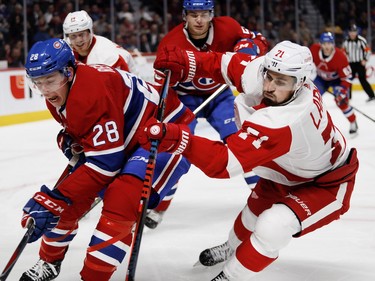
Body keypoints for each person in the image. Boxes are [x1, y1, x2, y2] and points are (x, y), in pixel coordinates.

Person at [139, 40, 359, 281]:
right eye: (269, 76)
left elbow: (223, 163)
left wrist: (177, 138)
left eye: (281, 82)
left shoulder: (286, 120)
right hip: (287, 168)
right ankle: (231, 247)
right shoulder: (273, 73)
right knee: (251, 214)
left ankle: (230, 276)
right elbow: (224, 63)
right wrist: (189, 61)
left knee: (273, 226)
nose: (270, 87)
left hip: (326, 183)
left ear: (300, 84)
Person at [20, 38, 194, 281]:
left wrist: (54, 198)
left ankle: (94, 277)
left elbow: (106, 164)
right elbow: (91, 137)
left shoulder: (90, 93)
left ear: (68, 72)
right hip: (125, 136)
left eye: (51, 80)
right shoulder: (62, 92)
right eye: (38, 83)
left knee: (120, 201)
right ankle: (49, 262)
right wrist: (68, 140)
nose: (46, 90)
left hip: (165, 131)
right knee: (64, 202)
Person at [145, 0, 268, 229]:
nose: (199, 20)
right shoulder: (170, 43)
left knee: (241, 143)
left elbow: (259, 41)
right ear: (185, 16)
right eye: (193, 15)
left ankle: (264, 199)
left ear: (211, 14)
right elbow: (162, 90)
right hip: (184, 99)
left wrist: (249, 48)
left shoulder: (228, 27)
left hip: (218, 95)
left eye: (203, 14)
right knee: (175, 148)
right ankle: (160, 207)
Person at [310, 32, 358, 135]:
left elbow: (348, 77)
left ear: (333, 44)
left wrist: (343, 91)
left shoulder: (340, 57)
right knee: (310, 99)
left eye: (329, 43)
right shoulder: (314, 49)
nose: (327, 46)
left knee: (342, 102)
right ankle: (311, 126)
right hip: (321, 79)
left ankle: (353, 122)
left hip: (338, 81)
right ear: (320, 44)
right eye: (324, 43)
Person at [63, 10, 138, 74]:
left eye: (81, 34)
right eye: (73, 36)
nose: (78, 40)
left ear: (90, 32)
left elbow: (124, 88)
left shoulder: (109, 56)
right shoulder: (64, 49)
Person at [342, 24, 375, 102]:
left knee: (362, 80)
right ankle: (348, 98)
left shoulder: (362, 40)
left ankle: (372, 96)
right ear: (348, 32)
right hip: (350, 64)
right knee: (348, 80)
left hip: (360, 63)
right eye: (351, 31)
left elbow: (368, 51)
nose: (352, 33)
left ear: (356, 32)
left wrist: (365, 60)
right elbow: (343, 53)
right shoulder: (346, 42)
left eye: (354, 31)